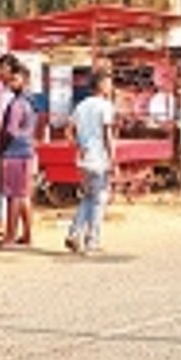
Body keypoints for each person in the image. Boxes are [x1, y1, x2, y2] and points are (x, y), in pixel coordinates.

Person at [65, 72, 115, 255]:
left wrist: (79, 146)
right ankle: (92, 240)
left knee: (87, 197)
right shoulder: (105, 106)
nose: (110, 87)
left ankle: (74, 232)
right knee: (99, 200)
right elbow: (107, 134)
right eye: (108, 83)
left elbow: (68, 131)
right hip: (99, 159)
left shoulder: (81, 106)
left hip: (83, 159)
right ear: (100, 86)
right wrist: (113, 158)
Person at [0, 62, 37, 248]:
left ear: (25, 80)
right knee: (23, 194)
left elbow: (10, 130)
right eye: (10, 79)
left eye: (15, 79)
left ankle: (10, 237)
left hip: (14, 151)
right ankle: (26, 235)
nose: (11, 83)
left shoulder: (17, 103)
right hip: (25, 150)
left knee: (13, 196)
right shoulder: (30, 102)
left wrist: (0, 147)